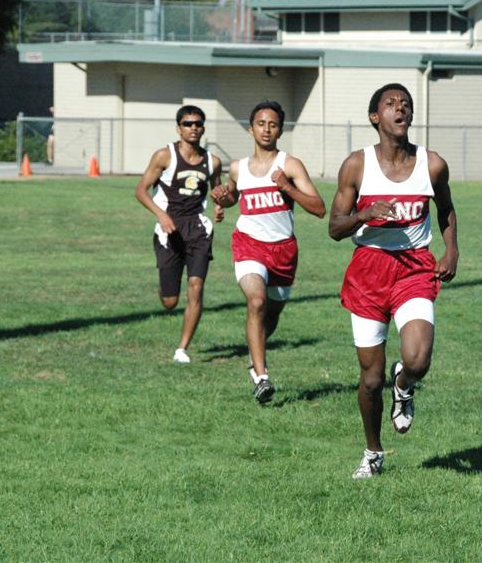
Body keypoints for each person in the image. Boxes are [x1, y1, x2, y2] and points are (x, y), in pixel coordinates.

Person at [328, 83, 459, 479]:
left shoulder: (431, 164)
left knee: (418, 359)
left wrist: (451, 250)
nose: (400, 108)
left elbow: (446, 208)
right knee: (370, 379)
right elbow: (334, 228)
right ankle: (373, 451)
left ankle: (403, 383)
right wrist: (364, 215)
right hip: (368, 271)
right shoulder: (357, 165)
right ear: (375, 117)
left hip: (414, 268)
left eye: (406, 104)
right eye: (390, 103)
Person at [210, 101, 326, 404]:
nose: (266, 129)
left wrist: (287, 187)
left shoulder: (290, 165)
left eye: (273, 124)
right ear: (251, 129)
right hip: (248, 243)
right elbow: (233, 196)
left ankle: (255, 351)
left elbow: (319, 208)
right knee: (256, 301)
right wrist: (222, 197)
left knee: (271, 315)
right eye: (261, 124)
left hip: (283, 251)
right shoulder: (238, 167)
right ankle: (261, 376)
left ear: (280, 130)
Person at [134, 106, 224, 363]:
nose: (193, 127)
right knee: (170, 301)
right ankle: (166, 284)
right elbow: (140, 191)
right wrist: (161, 216)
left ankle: (182, 349)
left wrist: (219, 207)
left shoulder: (213, 162)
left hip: (198, 229)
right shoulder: (164, 156)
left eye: (198, 123)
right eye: (187, 123)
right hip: (169, 230)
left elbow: (217, 191)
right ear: (178, 128)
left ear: (203, 128)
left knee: (196, 286)